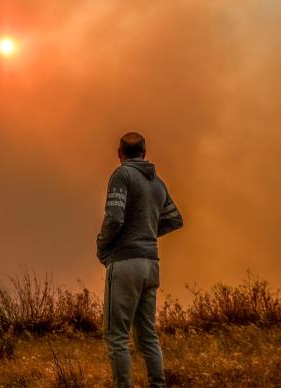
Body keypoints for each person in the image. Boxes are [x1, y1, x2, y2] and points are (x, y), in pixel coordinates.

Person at [97, 132, 183, 388]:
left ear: (120, 153)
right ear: (145, 153)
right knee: (147, 336)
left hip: (125, 263)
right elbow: (175, 218)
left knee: (116, 337)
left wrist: (102, 244)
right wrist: (146, 232)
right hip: (151, 263)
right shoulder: (158, 183)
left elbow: (114, 218)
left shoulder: (121, 175)